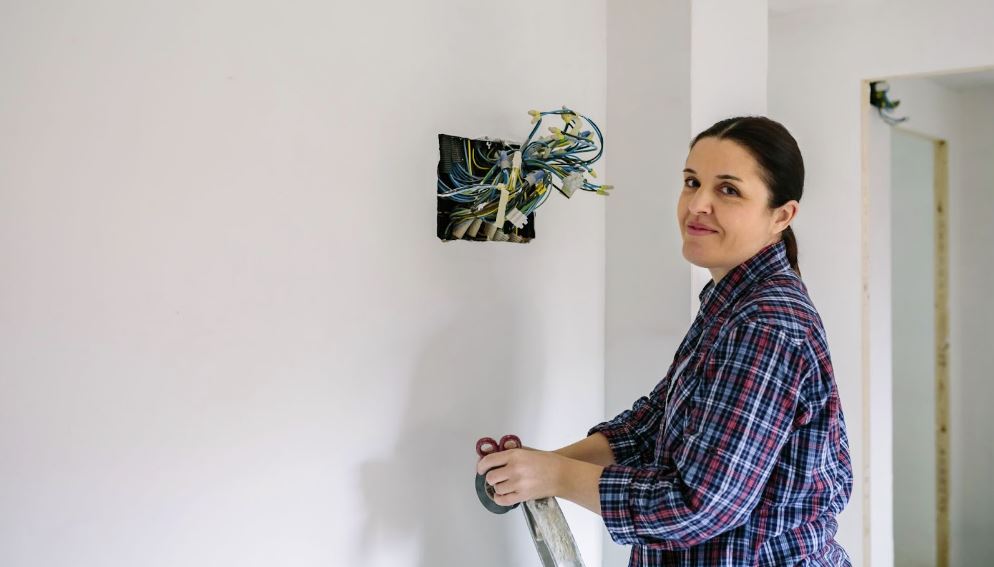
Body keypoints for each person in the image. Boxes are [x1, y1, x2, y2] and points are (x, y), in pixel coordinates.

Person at [475, 116, 853, 566]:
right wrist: (538, 467)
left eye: (728, 190)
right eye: (692, 182)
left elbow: (695, 506)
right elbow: (652, 425)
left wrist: (555, 475)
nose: (698, 205)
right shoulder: (732, 302)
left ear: (782, 215)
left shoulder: (766, 323)